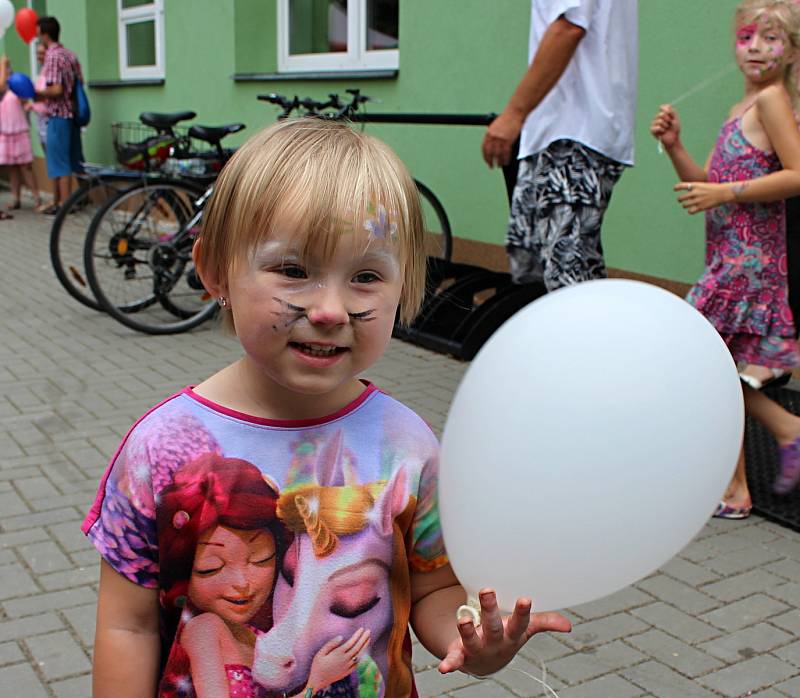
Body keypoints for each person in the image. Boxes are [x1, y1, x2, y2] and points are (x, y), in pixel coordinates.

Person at [82, 118, 571, 697]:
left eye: (365, 277)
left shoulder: (408, 445)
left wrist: (470, 643)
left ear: (405, 288)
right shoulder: (156, 449)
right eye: (294, 270)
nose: (331, 309)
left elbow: (434, 589)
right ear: (215, 271)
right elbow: (127, 624)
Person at [651, 0, 800, 517]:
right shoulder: (741, 108)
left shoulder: (774, 101)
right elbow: (709, 181)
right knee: (717, 369)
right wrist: (674, 145)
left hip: (751, 264)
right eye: (747, 37)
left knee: (706, 364)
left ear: (790, 50)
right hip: (727, 260)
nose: (757, 47)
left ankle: (736, 485)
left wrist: (728, 194)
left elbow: (797, 174)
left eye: (771, 38)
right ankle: (776, 442)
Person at [157, 454, 367, 697]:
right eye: (211, 567)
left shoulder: (256, 632)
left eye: (261, 559)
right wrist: (315, 683)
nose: (242, 584)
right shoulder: (204, 629)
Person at [482, 0, 637, 290]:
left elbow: (569, 27)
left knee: (566, 278)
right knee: (543, 267)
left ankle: (582, 335)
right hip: (559, 133)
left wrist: (514, 113)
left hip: (573, 134)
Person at [34, 15, 83, 215]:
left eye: (38, 34)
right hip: (72, 115)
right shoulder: (70, 55)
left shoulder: (53, 57)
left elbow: (56, 89)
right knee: (73, 160)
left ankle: (64, 205)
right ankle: (71, 200)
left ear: (45, 34)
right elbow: (79, 82)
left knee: (60, 163)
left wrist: (36, 93)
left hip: (58, 115)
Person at [0, 56, 40, 217]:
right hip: (6, 132)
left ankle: (37, 198)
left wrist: (30, 106)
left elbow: (25, 99)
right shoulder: (2, 90)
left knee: (26, 167)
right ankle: (16, 198)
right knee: (13, 168)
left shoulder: (15, 85)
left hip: (19, 131)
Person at [27, 42, 50, 154]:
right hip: (41, 122)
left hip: (50, 122)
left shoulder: (51, 72)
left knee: (53, 155)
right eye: (37, 53)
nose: (38, 56)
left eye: (42, 53)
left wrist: (35, 97)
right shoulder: (42, 71)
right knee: (48, 155)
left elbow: (49, 98)